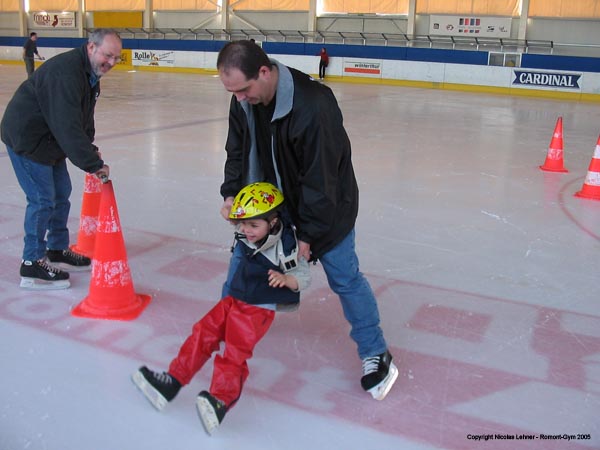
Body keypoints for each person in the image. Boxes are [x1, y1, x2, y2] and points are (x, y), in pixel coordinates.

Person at [216, 40, 398, 401]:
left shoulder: (314, 105)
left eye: (244, 89)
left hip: (327, 209)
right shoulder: (244, 101)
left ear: (264, 72)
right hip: (269, 208)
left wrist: (308, 235)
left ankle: (376, 352)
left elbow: (322, 179)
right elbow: (236, 150)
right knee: (240, 268)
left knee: (345, 278)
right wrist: (231, 193)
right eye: (232, 92)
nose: (239, 99)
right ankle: (223, 330)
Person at [132, 182, 310, 435]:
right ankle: (172, 381)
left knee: (234, 353)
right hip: (234, 298)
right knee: (202, 333)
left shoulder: (286, 245)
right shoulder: (251, 228)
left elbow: (303, 275)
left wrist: (286, 280)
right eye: (243, 224)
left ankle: (220, 401)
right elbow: (238, 220)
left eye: (253, 225)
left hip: (257, 309)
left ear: (273, 222)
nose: (245, 230)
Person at [1, 29, 120, 290]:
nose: (111, 63)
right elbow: (66, 125)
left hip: (49, 139)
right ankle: (31, 262)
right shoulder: (66, 74)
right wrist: (93, 164)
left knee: (61, 192)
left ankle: (56, 248)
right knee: (42, 199)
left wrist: (90, 148)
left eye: (116, 58)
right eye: (108, 55)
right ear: (91, 47)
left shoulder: (89, 74)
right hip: (29, 138)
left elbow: (83, 117)